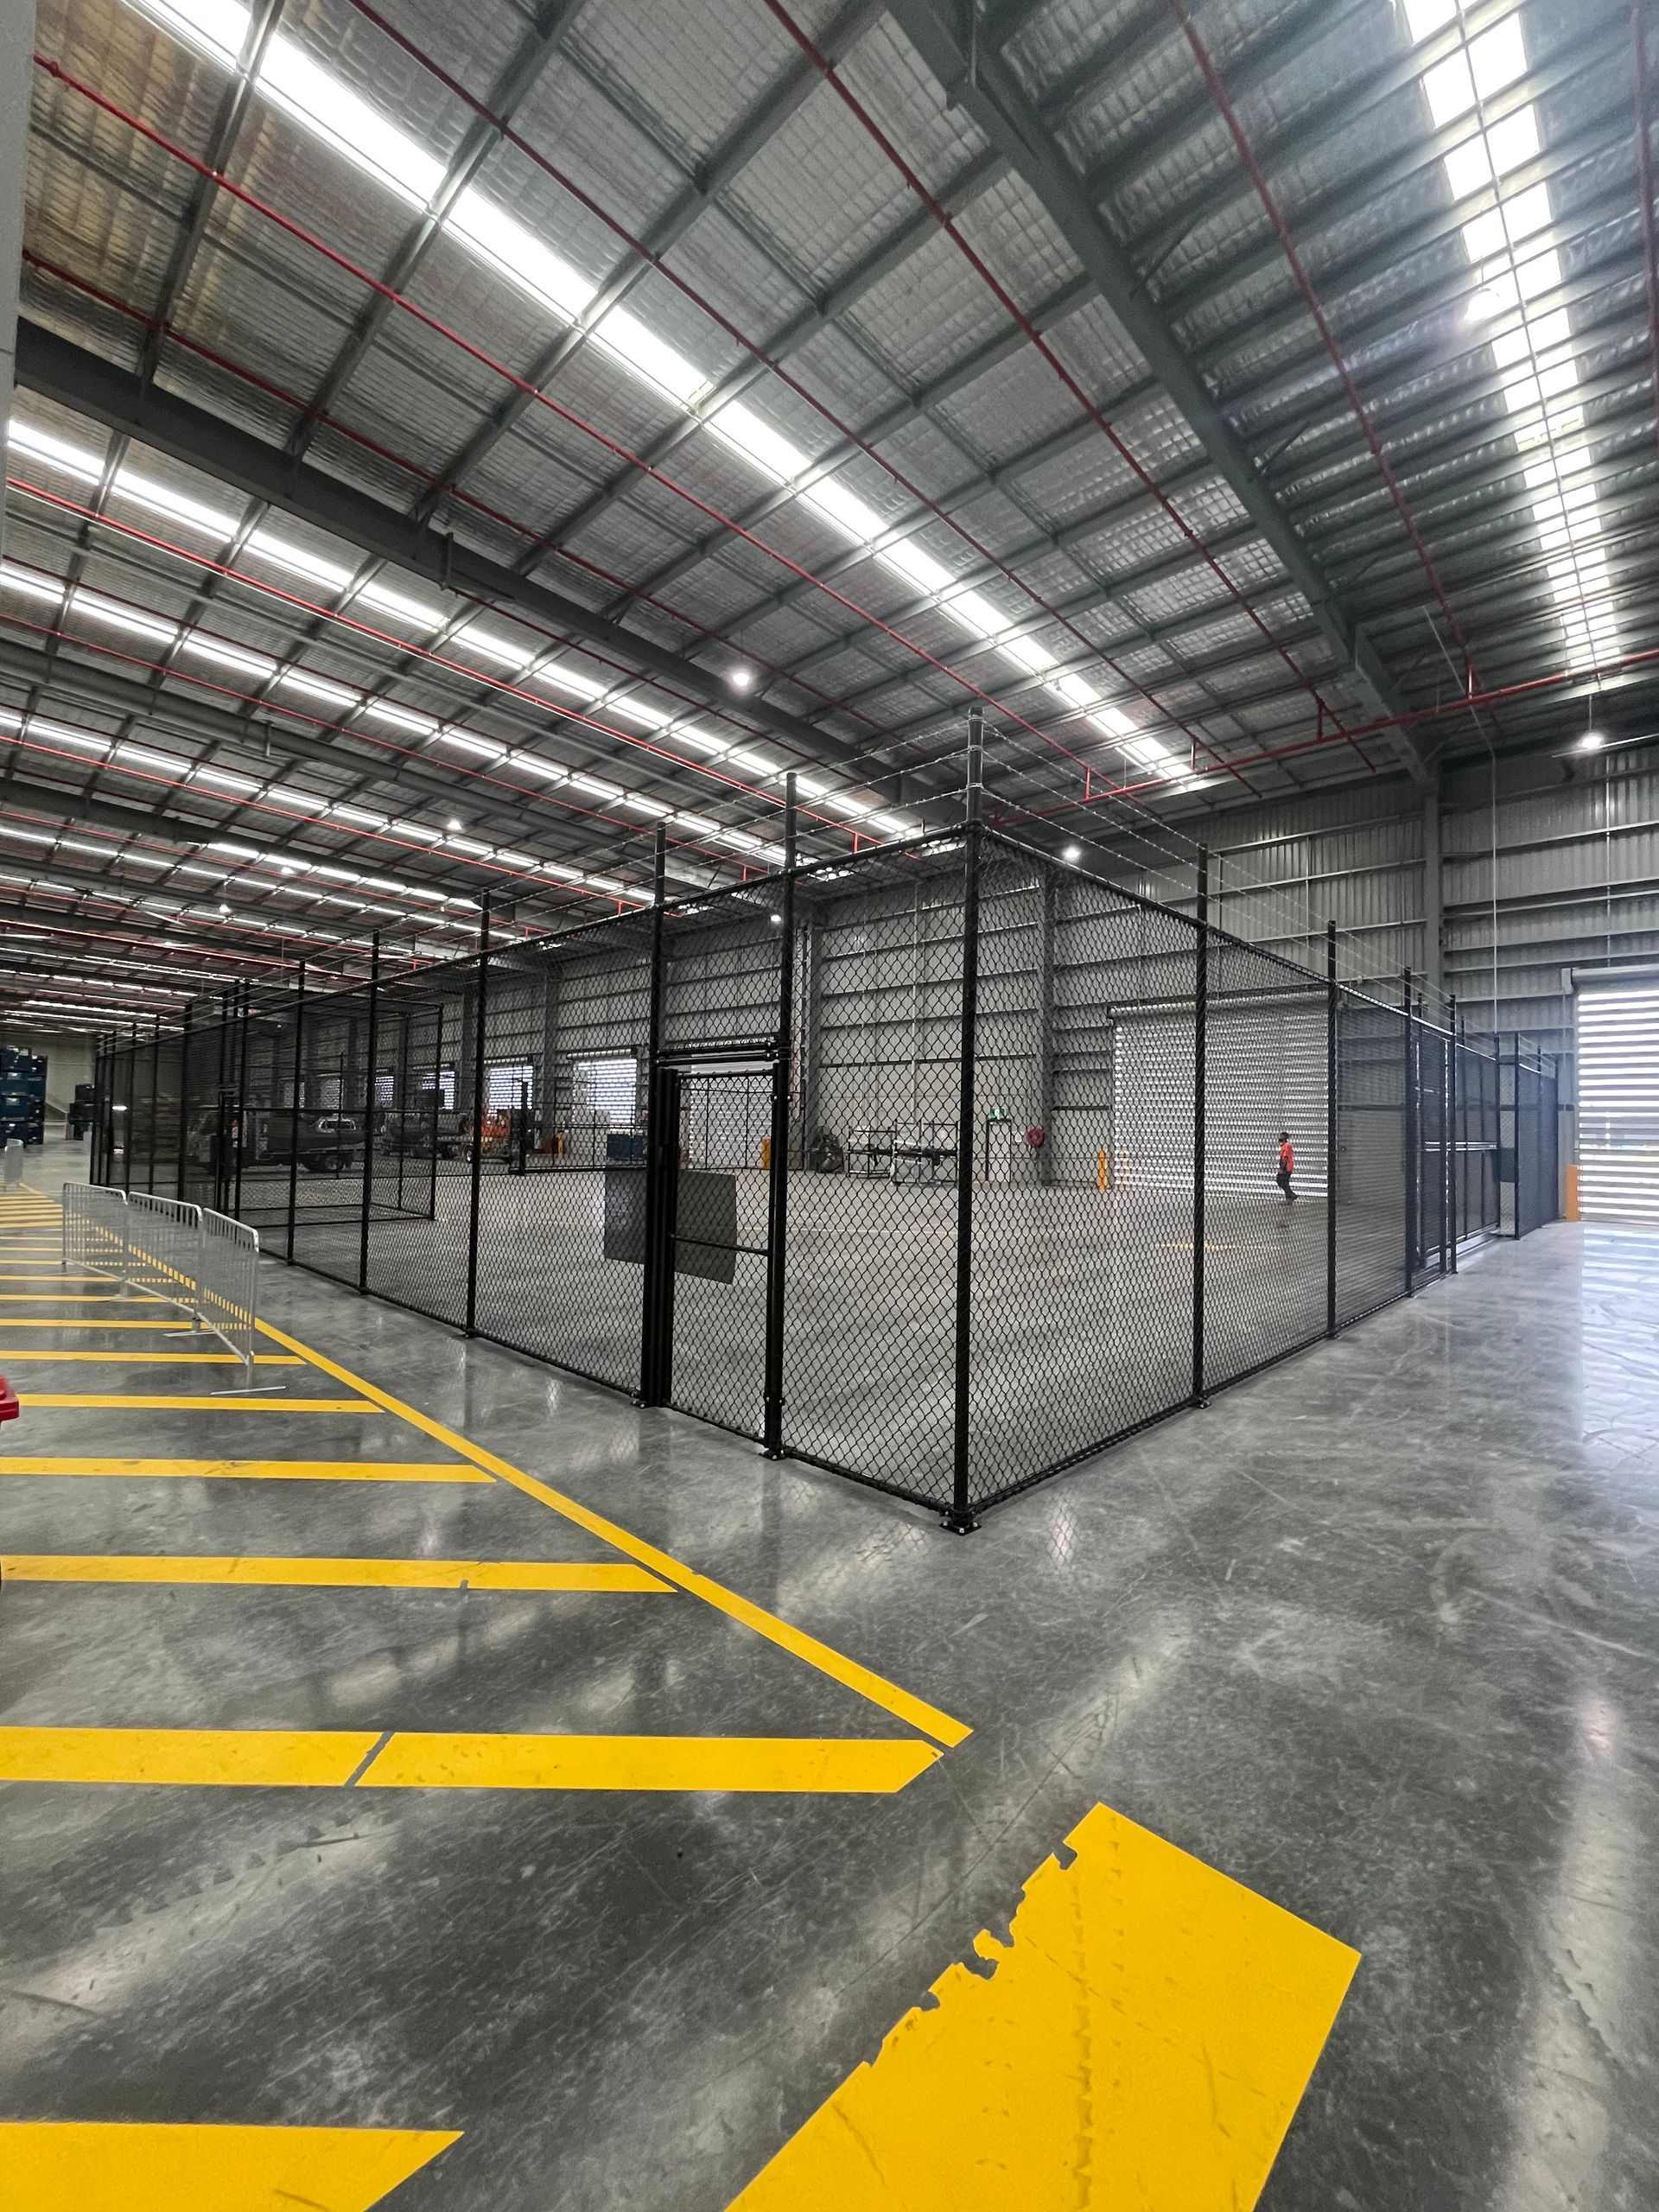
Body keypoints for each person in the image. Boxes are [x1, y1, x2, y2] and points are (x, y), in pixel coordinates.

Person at [1276, 1128, 1296, 1204]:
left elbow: (1284, 1158)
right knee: (1285, 1182)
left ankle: (1291, 1194)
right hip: (1289, 1166)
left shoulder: (1286, 1146)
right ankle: (1289, 1200)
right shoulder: (1286, 1145)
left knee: (1280, 1181)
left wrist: (1281, 1168)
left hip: (1286, 1167)